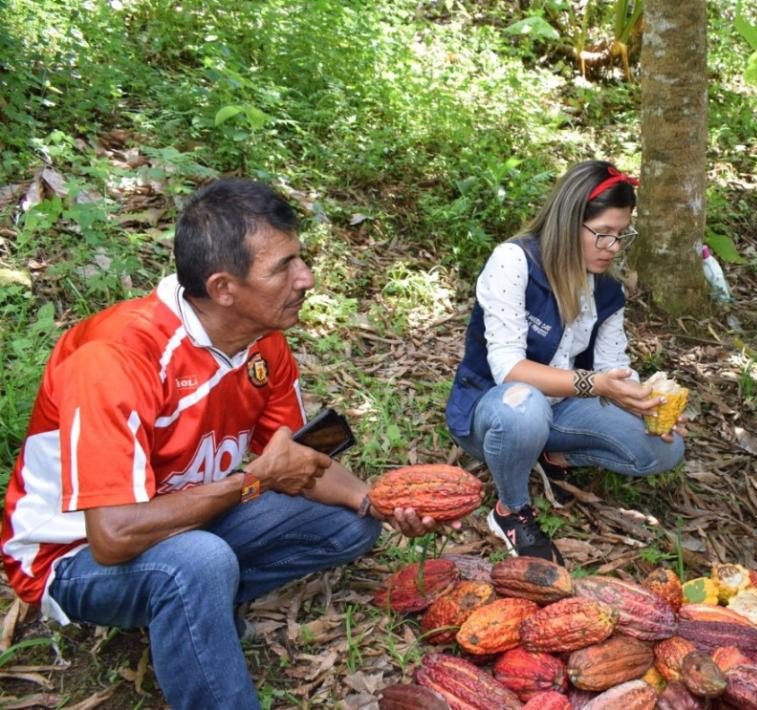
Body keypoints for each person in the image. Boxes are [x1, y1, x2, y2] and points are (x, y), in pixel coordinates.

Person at [1, 179, 441, 709]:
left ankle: (189, 609)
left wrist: (383, 502)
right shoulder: (115, 357)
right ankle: (196, 622)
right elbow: (112, 538)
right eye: (283, 267)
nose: (306, 278)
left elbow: (298, 463)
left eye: (300, 259)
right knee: (198, 561)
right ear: (223, 287)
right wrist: (254, 481)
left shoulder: (264, 345)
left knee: (349, 520)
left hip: (190, 519)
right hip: (73, 557)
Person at [445, 159, 686, 565]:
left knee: (666, 450)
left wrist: (649, 403)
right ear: (568, 220)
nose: (612, 247)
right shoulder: (515, 261)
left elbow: (614, 367)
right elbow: (508, 368)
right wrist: (595, 385)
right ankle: (511, 509)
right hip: (497, 411)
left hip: (562, 409)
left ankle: (552, 456)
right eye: (602, 233)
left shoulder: (607, 290)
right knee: (523, 406)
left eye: (621, 235)